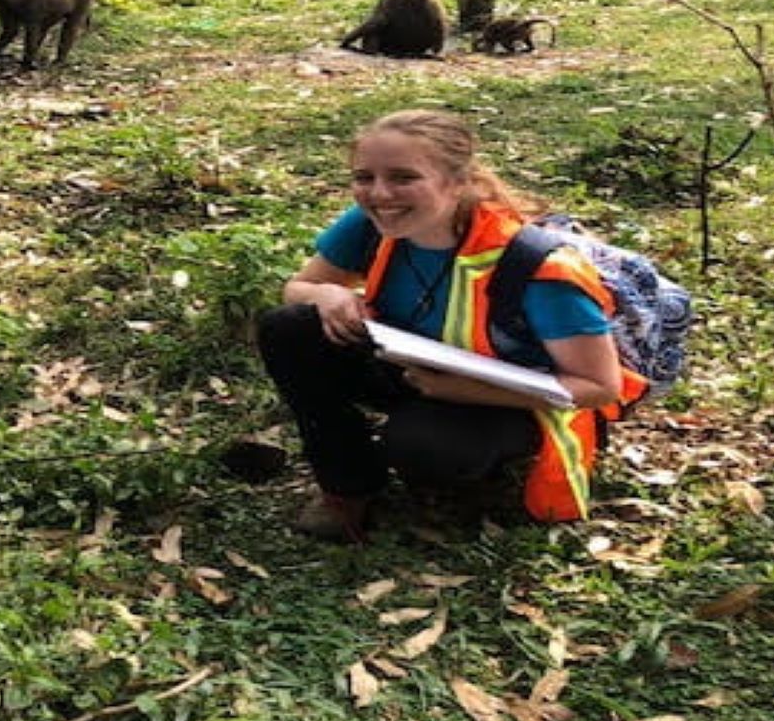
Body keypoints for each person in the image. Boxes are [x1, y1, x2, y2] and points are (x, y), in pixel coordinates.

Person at [255, 109, 648, 542]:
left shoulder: (536, 268)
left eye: (404, 178)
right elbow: (299, 287)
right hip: (416, 364)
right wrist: (326, 294)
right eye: (364, 177)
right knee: (289, 327)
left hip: (515, 398)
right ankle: (347, 486)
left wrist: (461, 391)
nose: (380, 194)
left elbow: (599, 388)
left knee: (423, 449)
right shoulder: (370, 225)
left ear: (459, 182)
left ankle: (471, 464)